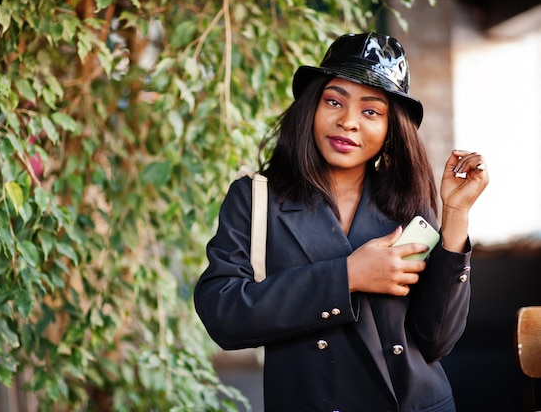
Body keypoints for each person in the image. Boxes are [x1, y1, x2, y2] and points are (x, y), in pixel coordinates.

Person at [194, 32, 489, 411]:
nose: (348, 122)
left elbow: (437, 340)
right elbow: (224, 315)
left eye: (371, 111)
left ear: (390, 130)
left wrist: (456, 216)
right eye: (334, 101)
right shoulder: (255, 198)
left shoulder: (408, 203)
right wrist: (347, 275)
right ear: (311, 108)